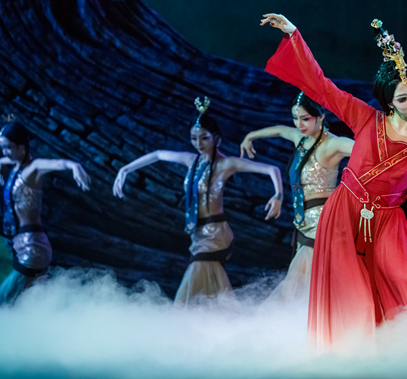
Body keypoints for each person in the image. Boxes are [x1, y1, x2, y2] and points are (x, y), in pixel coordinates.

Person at [261, 14, 407, 347]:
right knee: (355, 295)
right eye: (403, 98)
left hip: (389, 221)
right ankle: (359, 358)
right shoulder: (366, 118)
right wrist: (295, 35)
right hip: (344, 212)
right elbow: (322, 86)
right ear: (389, 102)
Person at [113, 98, 284, 306]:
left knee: (196, 276)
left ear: (216, 138)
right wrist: (125, 169)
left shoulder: (226, 164)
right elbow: (158, 154)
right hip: (198, 233)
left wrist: (278, 195)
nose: (198, 144)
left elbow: (272, 169)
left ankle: (182, 315)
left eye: (204, 138)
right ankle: (221, 318)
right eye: (194, 138)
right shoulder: (191, 160)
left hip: (215, 233)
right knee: (211, 286)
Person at [240, 92, 354, 303]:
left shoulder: (332, 144)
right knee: (302, 285)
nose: (299, 124)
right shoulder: (301, 139)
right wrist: (250, 136)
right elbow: (279, 130)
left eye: (305, 118)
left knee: (296, 284)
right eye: (295, 118)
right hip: (303, 222)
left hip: (323, 222)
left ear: (320, 117)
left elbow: (362, 150)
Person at [0, 121, 91, 305]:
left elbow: (58, 163)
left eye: (8, 147)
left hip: (33, 248)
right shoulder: (16, 164)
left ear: (22, 146)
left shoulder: (33, 168)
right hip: (22, 247)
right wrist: (0, 164)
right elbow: (5, 160)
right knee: (26, 305)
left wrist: (74, 166)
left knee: (1, 303)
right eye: (2, 147)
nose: (5, 152)